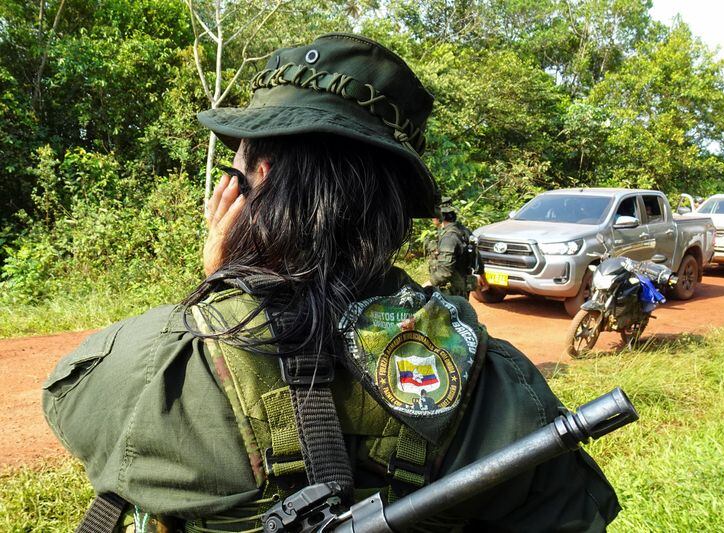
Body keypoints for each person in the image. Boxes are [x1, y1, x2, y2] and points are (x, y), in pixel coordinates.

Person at [43, 33, 620, 532]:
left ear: (259, 180)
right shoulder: (485, 383)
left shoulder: (157, 371)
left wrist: (222, 289)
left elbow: (72, 404)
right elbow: (567, 515)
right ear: (394, 204)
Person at [426, 197, 485, 298]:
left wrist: (427, 286)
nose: (432, 218)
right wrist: (485, 280)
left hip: (450, 292)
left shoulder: (449, 238)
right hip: (462, 288)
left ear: (440, 217)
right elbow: (477, 258)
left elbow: (444, 273)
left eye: (433, 215)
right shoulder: (464, 231)